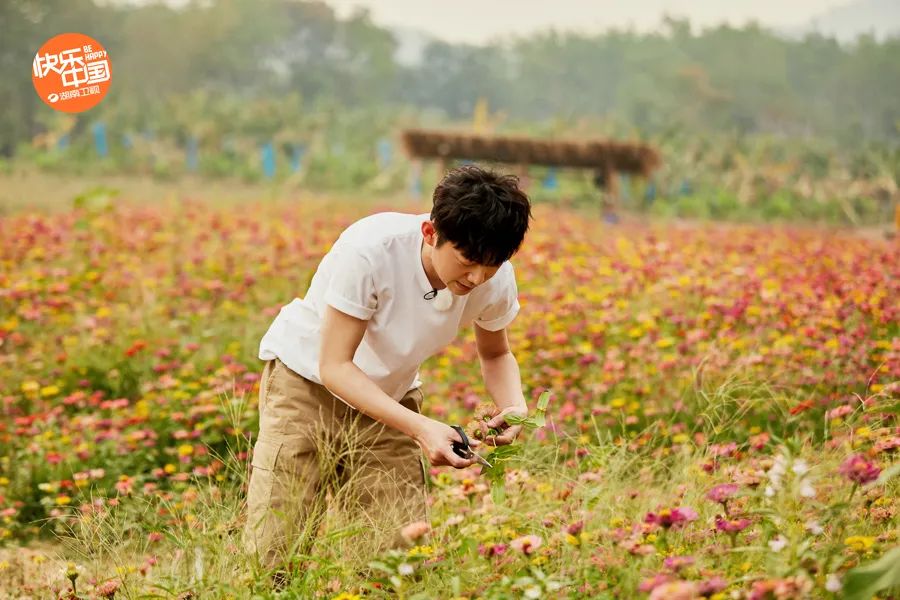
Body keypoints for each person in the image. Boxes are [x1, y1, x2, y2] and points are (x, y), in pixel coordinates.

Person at [244, 164, 533, 580]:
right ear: (430, 233)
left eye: (492, 265)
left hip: (390, 398)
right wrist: (421, 429)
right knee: (275, 552)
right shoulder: (371, 250)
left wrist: (514, 407)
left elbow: (495, 354)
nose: (477, 277)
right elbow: (335, 366)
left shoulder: (495, 277)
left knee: (396, 557)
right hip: (305, 388)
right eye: (467, 261)